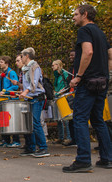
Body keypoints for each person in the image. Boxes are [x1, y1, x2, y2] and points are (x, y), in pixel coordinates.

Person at [63, 5, 112, 172]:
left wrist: (78, 76)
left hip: (87, 82)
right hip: (102, 82)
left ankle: (83, 160)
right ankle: (107, 158)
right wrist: (105, 73)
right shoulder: (100, 32)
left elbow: (88, 52)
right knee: (98, 120)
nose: (74, 17)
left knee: (80, 119)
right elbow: (111, 55)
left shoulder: (84, 31)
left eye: (76, 14)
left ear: (85, 14)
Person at [18, 47, 50, 158]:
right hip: (30, 98)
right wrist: (22, 92)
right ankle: (31, 147)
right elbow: (27, 85)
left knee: (36, 122)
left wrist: (26, 91)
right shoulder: (25, 68)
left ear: (27, 56)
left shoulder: (35, 67)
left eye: (22, 56)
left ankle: (43, 148)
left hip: (37, 97)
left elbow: (34, 83)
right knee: (29, 123)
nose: (21, 58)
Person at [0, 56, 20, 148]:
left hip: (11, 100)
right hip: (4, 100)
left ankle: (16, 140)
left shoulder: (11, 73)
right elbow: (1, 86)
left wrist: (5, 90)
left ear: (6, 63)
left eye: (1, 62)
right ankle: (6, 140)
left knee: (12, 120)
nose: (0, 63)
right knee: (4, 121)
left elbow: (15, 86)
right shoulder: (3, 74)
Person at [52, 60, 71, 145]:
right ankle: (61, 137)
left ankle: (69, 137)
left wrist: (61, 92)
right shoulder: (57, 75)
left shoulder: (64, 74)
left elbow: (67, 85)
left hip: (63, 96)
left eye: (53, 65)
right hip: (57, 96)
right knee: (58, 119)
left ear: (58, 65)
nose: (52, 67)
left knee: (65, 118)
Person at [63, 50, 77, 147]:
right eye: (70, 55)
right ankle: (73, 139)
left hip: (77, 94)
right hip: (71, 94)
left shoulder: (78, 66)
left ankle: (77, 139)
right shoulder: (71, 68)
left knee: (77, 118)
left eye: (72, 55)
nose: (70, 57)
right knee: (71, 119)